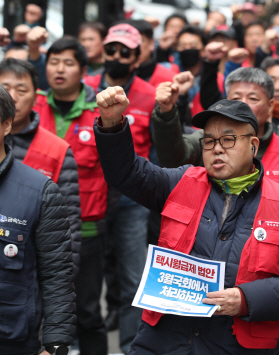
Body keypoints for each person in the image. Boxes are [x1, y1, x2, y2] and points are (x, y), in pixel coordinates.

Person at [93, 91, 279, 354]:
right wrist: (111, 124)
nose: (217, 148)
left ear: (253, 146)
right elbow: (125, 173)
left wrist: (245, 299)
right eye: (209, 141)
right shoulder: (179, 182)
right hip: (166, 340)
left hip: (242, 344)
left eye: (228, 139)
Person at [151, 68, 279, 354]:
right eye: (235, 97)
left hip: (266, 279)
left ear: (270, 107)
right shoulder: (210, 144)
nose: (243, 104)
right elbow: (172, 155)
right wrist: (167, 112)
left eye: (252, 98)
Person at [32, 37, 109, 355]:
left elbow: (115, 174)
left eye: (68, 63)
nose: (59, 69)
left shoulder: (100, 112)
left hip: (87, 231)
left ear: (83, 70)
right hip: (33, 230)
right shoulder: (32, 107)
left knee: (87, 313)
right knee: (36, 315)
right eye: (53, 62)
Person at [83, 23, 156, 353]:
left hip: (131, 200)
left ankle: (130, 347)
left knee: (132, 279)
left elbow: (157, 151)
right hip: (87, 197)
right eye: (111, 49)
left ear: (137, 57)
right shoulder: (85, 88)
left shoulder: (151, 95)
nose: (116, 56)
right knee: (81, 278)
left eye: (125, 51)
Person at [0, 85, 76, 355]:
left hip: (14, 338)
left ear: (6, 125)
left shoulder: (40, 191)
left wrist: (56, 344)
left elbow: (57, 273)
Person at [0, 58, 81, 278]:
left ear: (37, 97)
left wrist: (64, 279)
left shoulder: (57, 149)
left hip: (33, 269)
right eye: (5, 88)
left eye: (21, 90)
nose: (12, 97)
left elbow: (68, 223)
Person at [126, 19, 178, 88]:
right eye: (129, 42)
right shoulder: (114, 75)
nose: (134, 47)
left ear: (151, 43)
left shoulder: (170, 79)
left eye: (139, 41)